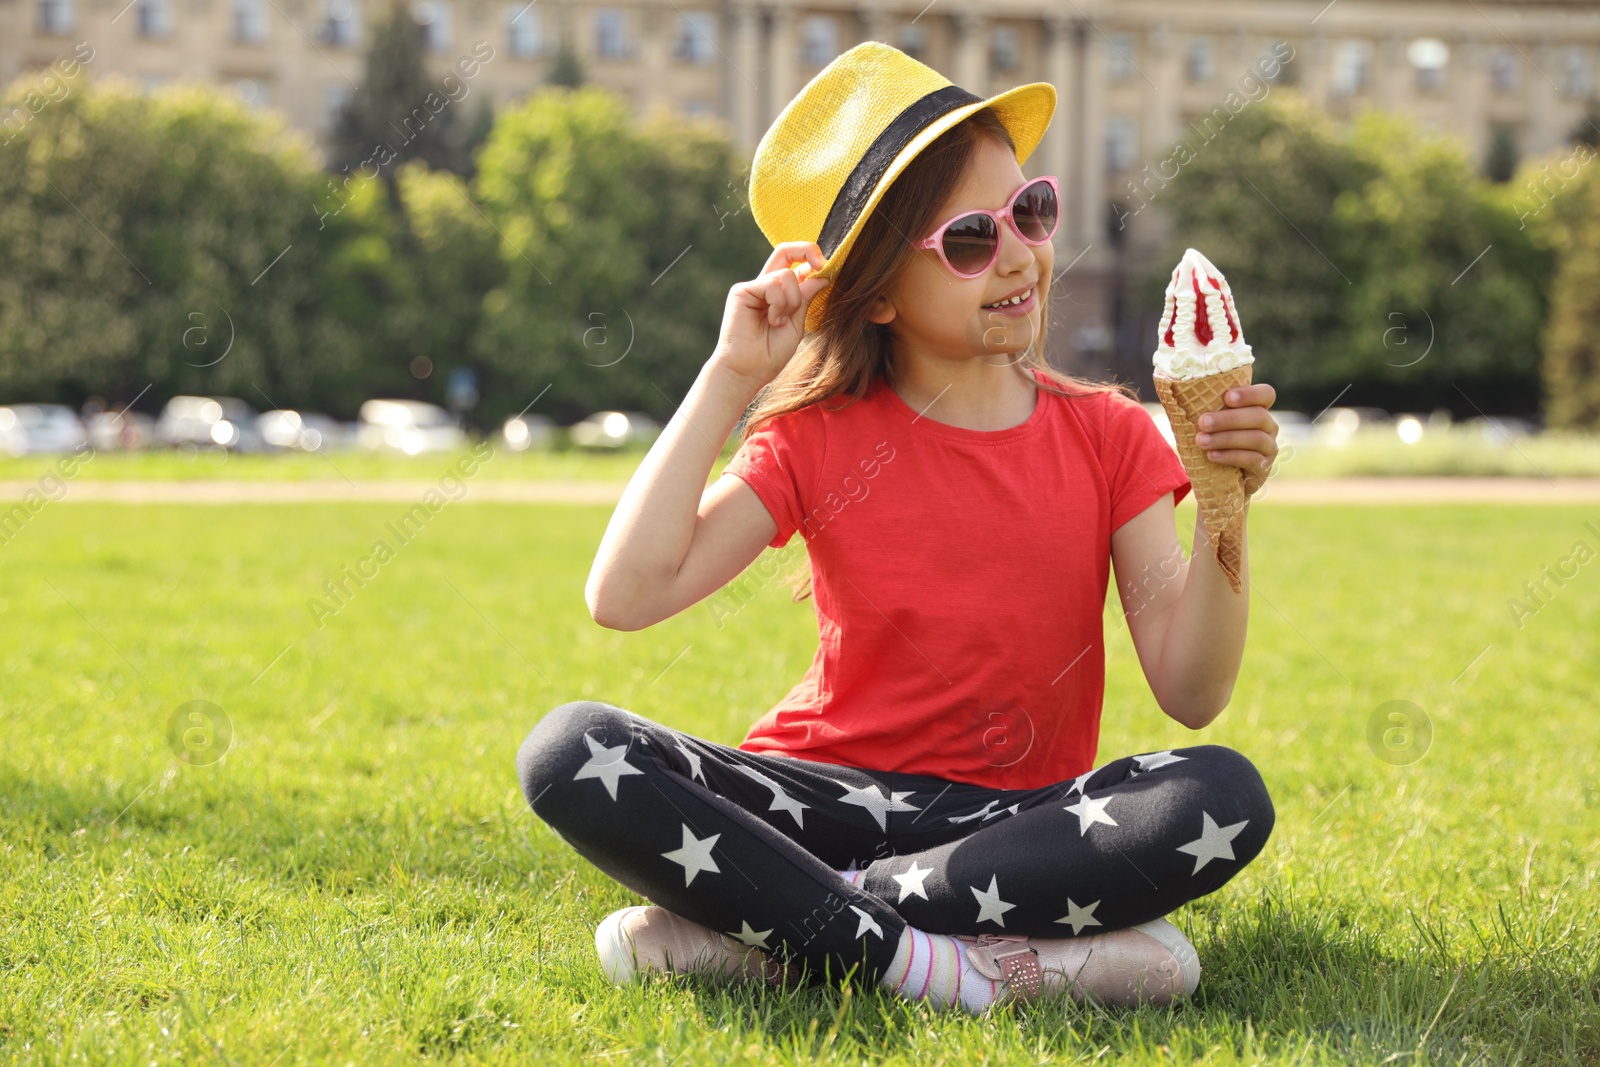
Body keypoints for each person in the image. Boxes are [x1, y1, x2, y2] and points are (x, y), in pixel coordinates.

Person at [517, 42, 1281, 1014]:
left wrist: (1223, 503)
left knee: (1219, 793)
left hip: (1010, 828)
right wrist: (731, 374)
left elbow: (1191, 689)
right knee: (569, 750)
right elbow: (624, 595)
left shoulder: (1108, 434)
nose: (1016, 254)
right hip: (815, 802)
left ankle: (791, 929)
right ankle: (949, 961)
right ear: (877, 291)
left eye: (1029, 211)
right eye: (968, 238)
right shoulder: (815, 438)